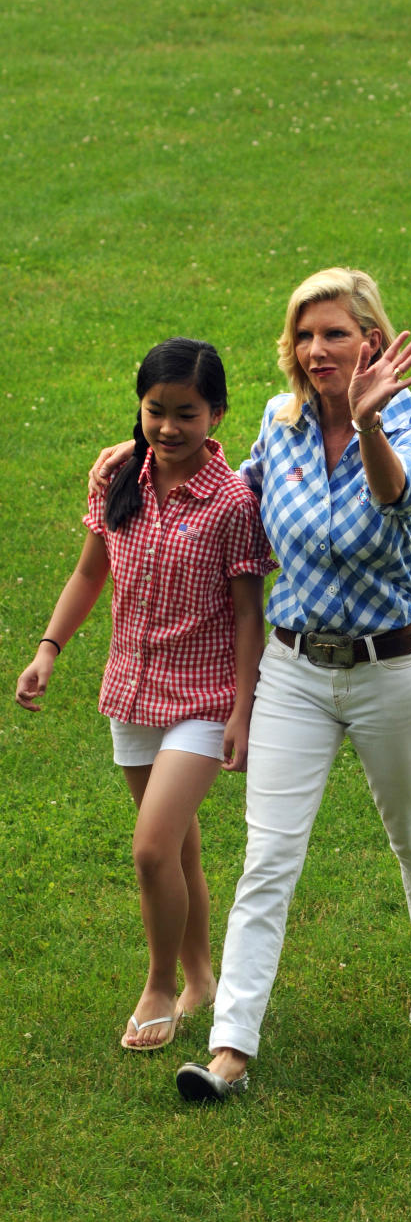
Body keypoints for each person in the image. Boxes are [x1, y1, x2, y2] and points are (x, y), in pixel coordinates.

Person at [95, 268, 411, 1100]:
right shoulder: (281, 418)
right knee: (267, 854)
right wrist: (152, 456)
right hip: (294, 669)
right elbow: (242, 489)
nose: (317, 349)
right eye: (305, 335)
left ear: (370, 337)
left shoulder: (409, 424)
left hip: (389, 668)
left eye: (335, 332)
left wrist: (368, 422)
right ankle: (231, 1047)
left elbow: (393, 500)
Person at [17, 339, 274, 1050]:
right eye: (155, 411)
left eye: (185, 413)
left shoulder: (232, 503)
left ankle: (159, 982)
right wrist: (47, 650)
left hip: (202, 695)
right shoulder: (119, 476)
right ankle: (200, 977)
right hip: (130, 688)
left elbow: (250, 612)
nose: (167, 427)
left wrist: (243, 709)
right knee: (180, 852)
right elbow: (88, 573)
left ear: (216, 413)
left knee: (153, 848)